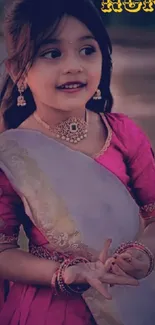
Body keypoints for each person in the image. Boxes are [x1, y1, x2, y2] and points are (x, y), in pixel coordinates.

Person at [0, 0, 155, 324]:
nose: (74, 66)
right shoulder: (10, 153)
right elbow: (3, 250)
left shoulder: (124, 133)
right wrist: (65, 274)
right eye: (52, 53)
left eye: (87, 50)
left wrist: (144, 254)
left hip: (131, 297)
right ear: (18, 71)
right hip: (50, 308)